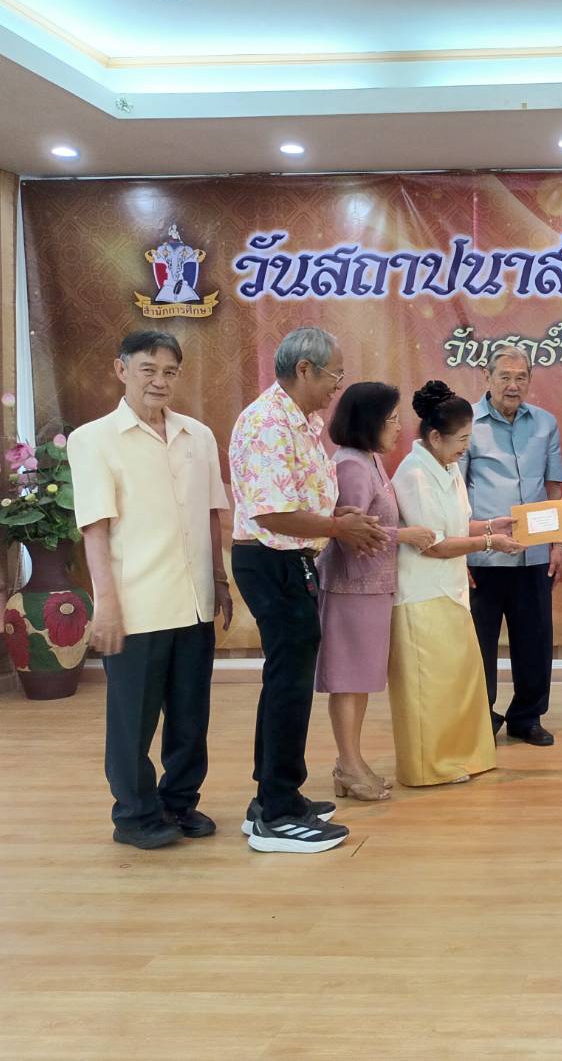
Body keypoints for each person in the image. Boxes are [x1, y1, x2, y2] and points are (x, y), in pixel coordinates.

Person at [68, 330, 233, 849]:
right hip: (137, 604)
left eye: (169, 372)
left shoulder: (197, 436)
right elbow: (95, 528)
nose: (159, 381)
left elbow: (212, 514)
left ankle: (179, 803)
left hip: (194, 600)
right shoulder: (93, 439)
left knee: (190, 718)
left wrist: (220, 579)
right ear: (122, 370)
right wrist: (106, 606)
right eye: (148, 370)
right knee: (132, 722)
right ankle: (134, 816)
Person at [229, 327, 388, 854]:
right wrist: (338, 527)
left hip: (291, 559)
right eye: (334, 375)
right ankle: (276, 814)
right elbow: (271, 512)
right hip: (270, 560)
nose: (337, 386)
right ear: (304, 369)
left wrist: (335, 517)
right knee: (288, 685)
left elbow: (301, 498)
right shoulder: (267, 423)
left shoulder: (302, 422)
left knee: (289, 682)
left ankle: (277, 797)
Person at [388, 381, 521, 787]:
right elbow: (434, 544)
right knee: (429, 687)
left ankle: (461, 757)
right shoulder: (414, 474)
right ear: (434, 437)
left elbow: (458, 527)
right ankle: (430, 766)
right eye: (461, 440)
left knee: (457, 683)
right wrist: (489, 543)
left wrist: (492, 525)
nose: (466, 447)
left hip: (451, 590)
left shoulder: (447, 468)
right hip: (422, 593)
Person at [315, 382, 435, 802]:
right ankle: (348, 765)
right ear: (369, 422)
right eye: (392, 419)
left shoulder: (369, 459)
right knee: (347, 680)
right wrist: (405, 535)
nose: (399, 427)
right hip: (352, 587)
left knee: (361, 679)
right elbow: (352, 533)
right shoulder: (351, 465)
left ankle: (352, 763)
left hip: (372, 586)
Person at [462, 343, 562, 746]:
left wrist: (558, 544)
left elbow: (553, 486)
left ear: (530, 380)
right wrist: (460, 551)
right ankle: (481, 716)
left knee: (535, 640)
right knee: (479, 644)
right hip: (483, 554)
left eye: (521, 377)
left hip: (533, 555)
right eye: (504, 376)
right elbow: (455, 490)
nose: (513, 385)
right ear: (487, 377)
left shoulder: (545, 423)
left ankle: (527, 717)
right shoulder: (467, 422)